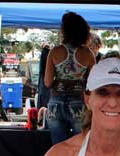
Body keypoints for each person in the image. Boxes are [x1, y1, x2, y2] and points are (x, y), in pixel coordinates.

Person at [44, 12, 96, 144]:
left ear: (65, 31)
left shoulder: (55, 52)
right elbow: (93, 83)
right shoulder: (88, 54)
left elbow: (47, 82)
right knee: (82, 145)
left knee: (58, 146)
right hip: (78, 103)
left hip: (56, 103)